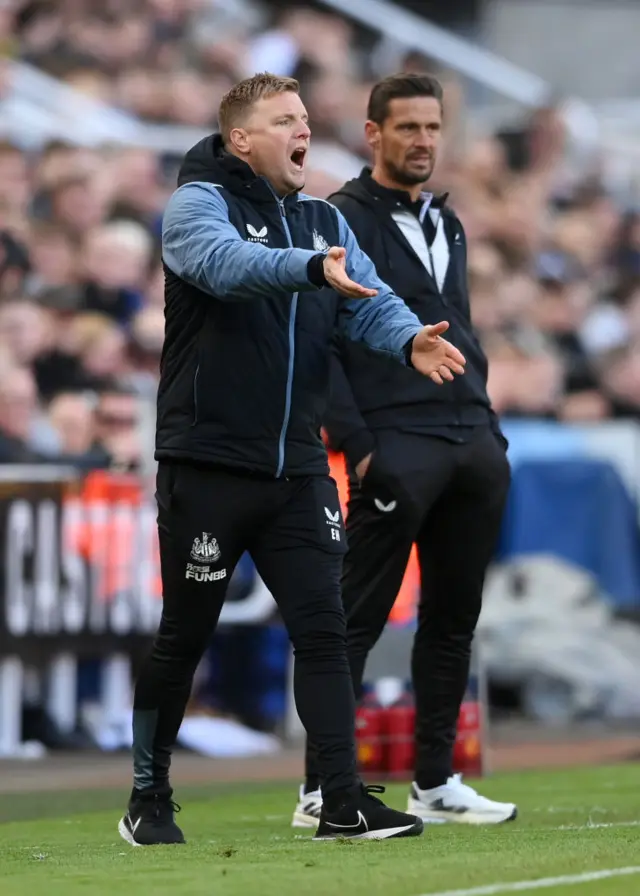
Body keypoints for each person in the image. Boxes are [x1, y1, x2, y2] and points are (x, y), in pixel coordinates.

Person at [118, 72, 467, 847]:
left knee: (324, 628)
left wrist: (408, 338)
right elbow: (226, 268)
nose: (302, 130)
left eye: (305, 118)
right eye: (284, 120)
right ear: (242, 138)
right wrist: (308, 268)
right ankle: (149, 793)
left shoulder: (318, 217)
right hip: (208, 463)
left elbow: (364, 294)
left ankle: (339, 799)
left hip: (298, 469)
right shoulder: (196, 205)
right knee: (187, 631)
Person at [293, 73, 516, 829]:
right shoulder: (341, 218)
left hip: (467, 437)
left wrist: (486, 422)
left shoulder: (445, 222)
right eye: (408, 127)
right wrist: (357, 444)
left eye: (432, 127)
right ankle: (323, 786)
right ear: (373, 133)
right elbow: (318, 344)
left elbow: (460, 323)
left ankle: (435, 779)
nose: (423, 140)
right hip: (394, 438)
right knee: (355, 617)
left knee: (453, 619)